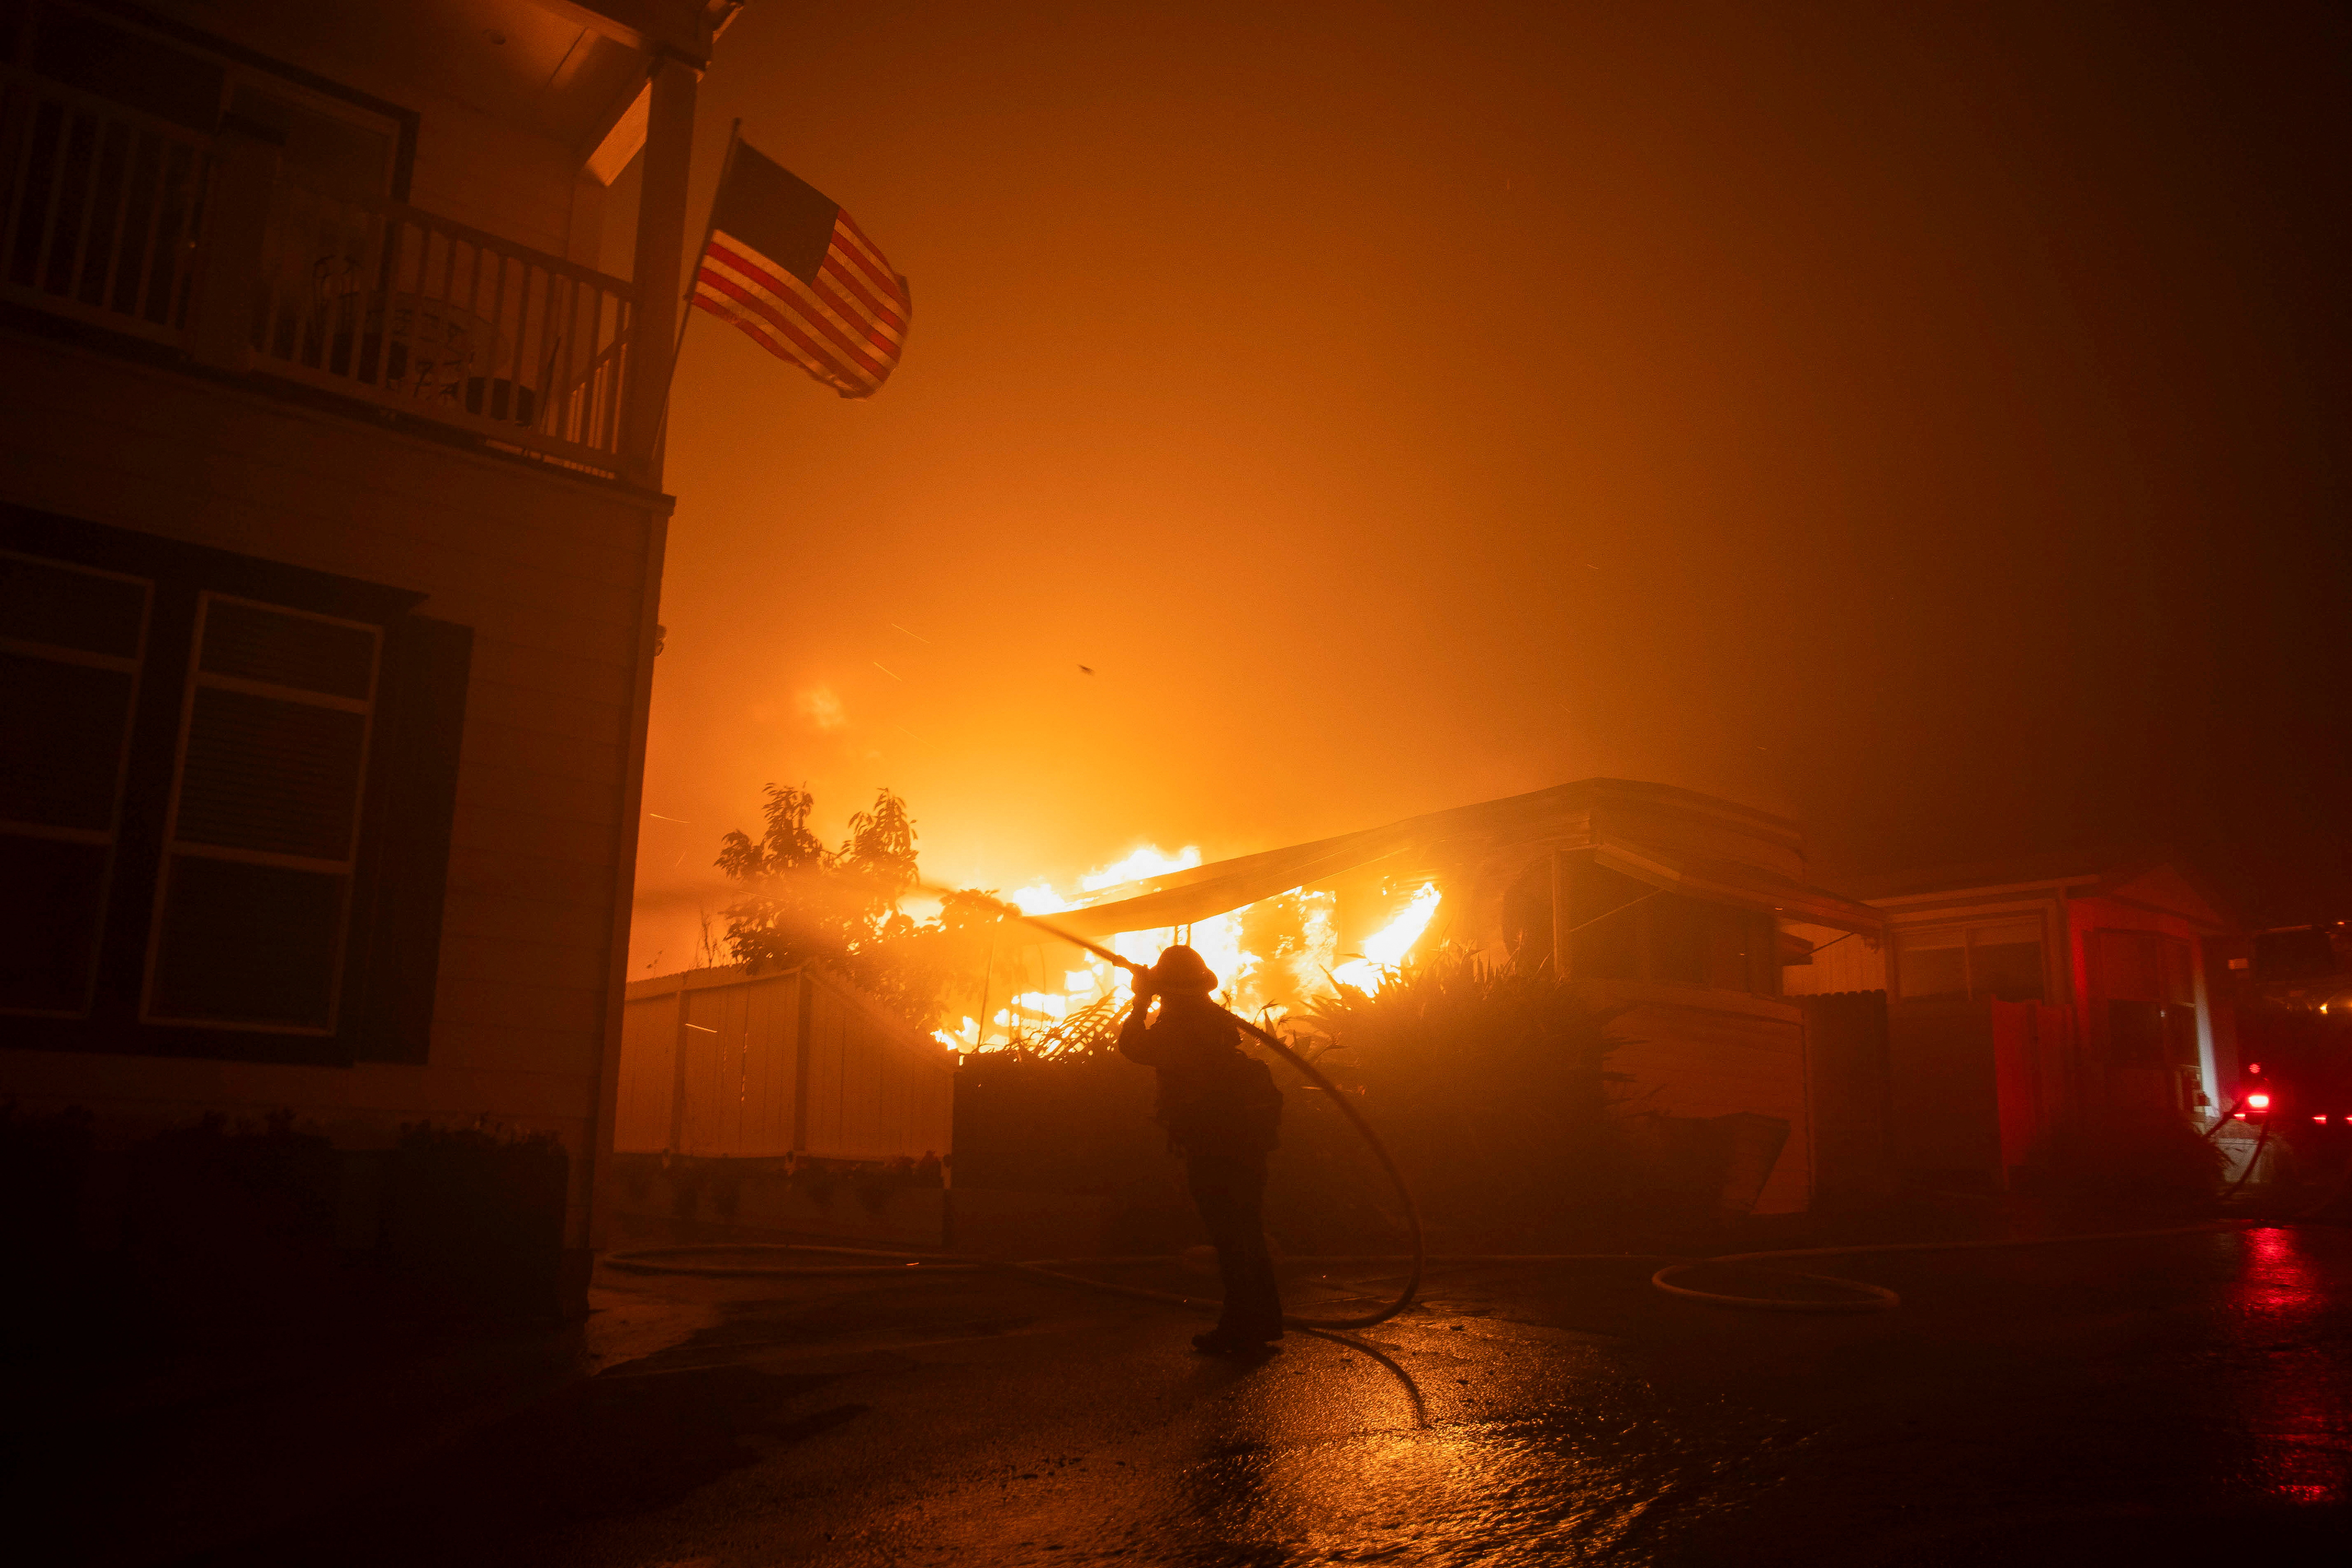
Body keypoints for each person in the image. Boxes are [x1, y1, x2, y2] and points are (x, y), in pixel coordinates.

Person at [1116, 945, 1285, 1355]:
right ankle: (1260, 1321)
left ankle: (1240, 1328)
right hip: (1244, 1144)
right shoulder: (1211, 1019)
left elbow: (1134, 1046)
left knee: (1230, 1234)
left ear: (1169, 988)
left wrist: (1141, 999)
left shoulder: (1181, 1027)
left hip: (1215, 1145)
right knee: (1245, 1230)